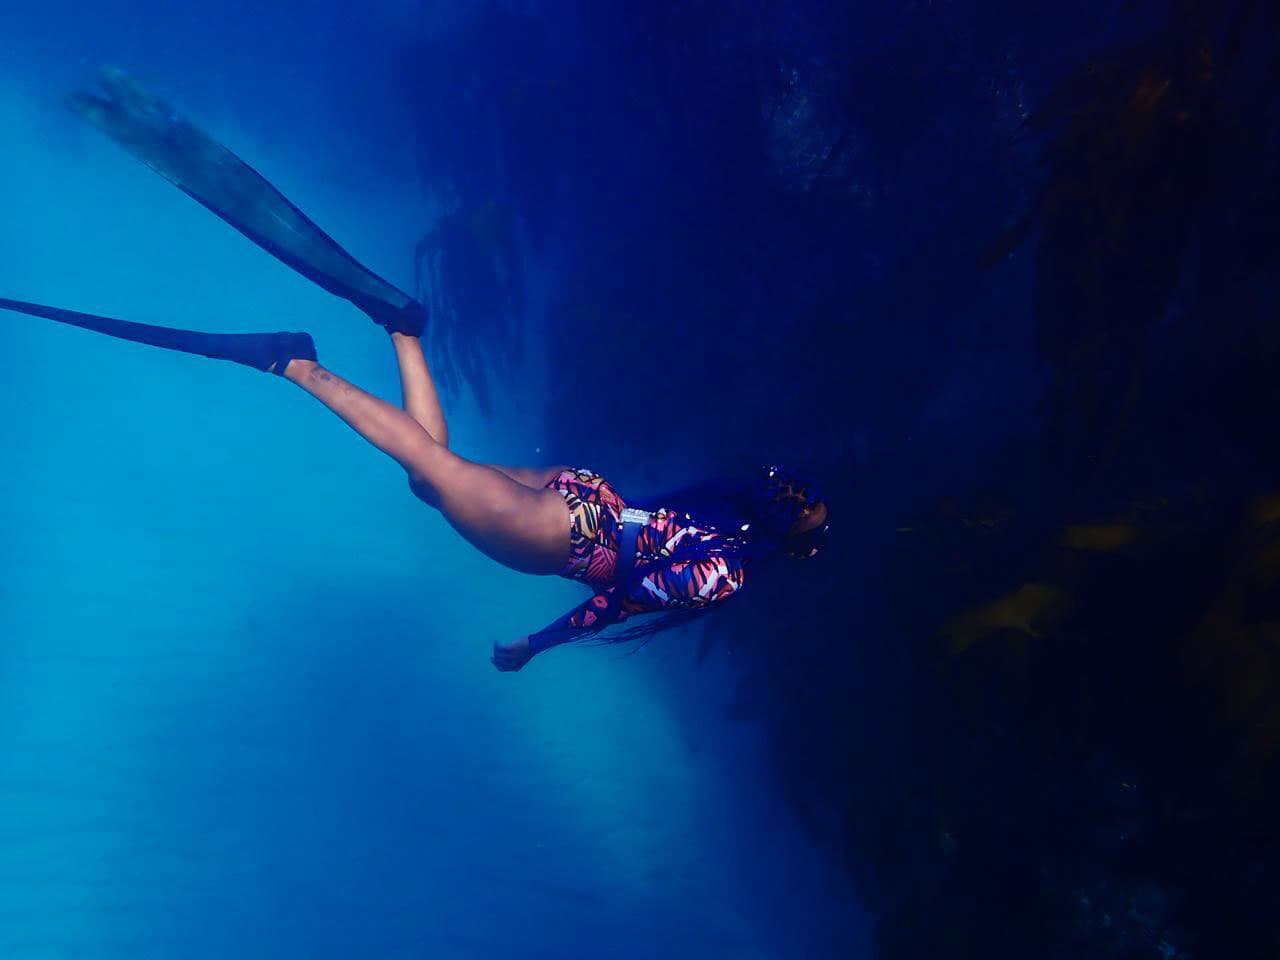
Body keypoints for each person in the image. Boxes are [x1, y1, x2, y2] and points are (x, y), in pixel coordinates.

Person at [3, 71, 830, 671]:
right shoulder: (726, 570)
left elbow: (653, 531)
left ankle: (402, 330)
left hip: (584, 496)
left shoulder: (728, 504)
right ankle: (292, 362)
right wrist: (534, 647)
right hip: (566, 540)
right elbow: (624, 600)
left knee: (429, 480)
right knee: (429, 465)